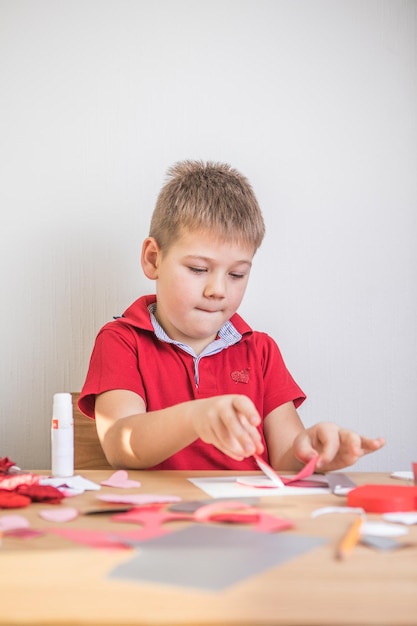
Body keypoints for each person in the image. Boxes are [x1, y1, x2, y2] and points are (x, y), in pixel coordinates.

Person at [78, 160, 385, 472]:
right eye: (199, 269)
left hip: (249, 517)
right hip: (159, 516)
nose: (218, 290)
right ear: (153, 259)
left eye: (236, 274)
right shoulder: (121, 340)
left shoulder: (261, 352)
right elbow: (121, 444)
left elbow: (285, 458)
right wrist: (196, 416)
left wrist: (314, 453)